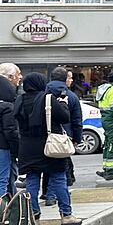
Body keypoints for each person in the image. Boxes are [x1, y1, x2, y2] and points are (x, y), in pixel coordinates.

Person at [14, 73, 81, 224]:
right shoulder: (48, 98)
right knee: (58, 179)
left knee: (32, 181)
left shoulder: (20, 100)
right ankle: (67, 215)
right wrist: (63, 103)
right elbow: (65, 117)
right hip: (49, 145)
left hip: (27, 147)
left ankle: (33, 215)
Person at [43, 67, 83, 206]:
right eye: (70, 78)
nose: (71, 81)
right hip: (62, 137)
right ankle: (52, 195)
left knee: (47, 166)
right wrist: (77, 138)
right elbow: (76, 120)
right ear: (64, 79)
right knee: (59, 168)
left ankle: (47, 193)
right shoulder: (70, 96)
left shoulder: (42, 93)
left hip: (43, 137)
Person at [0, 63, 20, 194]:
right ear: (11, 77)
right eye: (18, 75)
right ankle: (3, 210)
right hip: (3, 146)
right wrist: (16, 148)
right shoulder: (9, 104)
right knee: (3, 179)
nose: (20, 77)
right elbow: (10, 130)